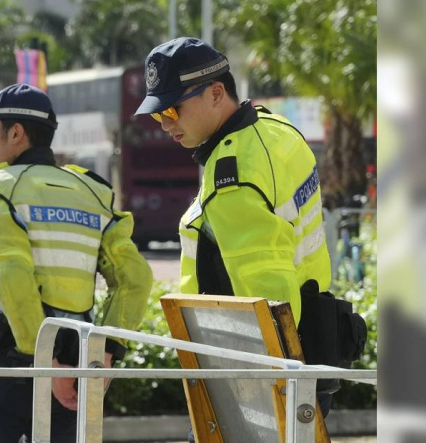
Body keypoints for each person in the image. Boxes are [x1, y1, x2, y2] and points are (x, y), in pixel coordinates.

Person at [135, 37, 343, 428]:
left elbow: (267, 294)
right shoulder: (277, 130)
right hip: (310, 350)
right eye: (158, 115)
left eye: (173, 109)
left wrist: (259, 390)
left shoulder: (233, 174)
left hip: (260, 378)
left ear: (216, 93)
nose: (165, 124)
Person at [0, 83, 153, 443]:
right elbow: (135, 279)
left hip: (13, 352)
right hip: (78, 358)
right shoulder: (94, 192)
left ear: (16, 133)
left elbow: (12, 275)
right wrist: (106, 353)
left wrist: (45, 362)